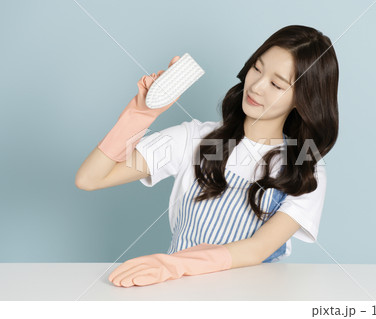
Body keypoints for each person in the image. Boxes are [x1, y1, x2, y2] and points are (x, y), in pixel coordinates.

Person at [75, 25, 339, 288]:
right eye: (257, 68)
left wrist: (174, 264)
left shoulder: (305, 168)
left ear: (302, 99)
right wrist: (140, 113)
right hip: (178, 292)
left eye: (276, 84)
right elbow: (90, 179)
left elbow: (257, 250)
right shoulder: (194, 138)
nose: (257, 86)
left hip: (253, 300)